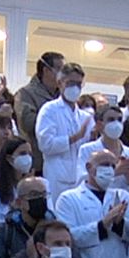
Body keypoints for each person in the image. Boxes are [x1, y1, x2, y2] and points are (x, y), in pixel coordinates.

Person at [36, 62, 94, 202]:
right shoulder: (49, 110)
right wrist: (75, 137)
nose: (75, 88)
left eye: (79, 84)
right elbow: (45, 145)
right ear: (60, 83)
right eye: (70, 83)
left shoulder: (85, 117)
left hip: (80, 179)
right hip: (57, 178)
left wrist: (94, 137)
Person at [75, 104, 129, 201]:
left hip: (124, 207)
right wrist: (114, 172)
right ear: (100, 125)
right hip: (94, 204)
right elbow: (81, 182)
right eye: (111, 120)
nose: (116, 124)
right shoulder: (87, 150)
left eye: (119, 119)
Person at [15, 51, 64, 174]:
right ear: (46, 70)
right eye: (59, 69)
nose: (63, 74)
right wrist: (58, 119)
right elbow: (28, 123)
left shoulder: (63, 96)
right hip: (37, 162)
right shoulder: (26, 94)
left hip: (61, 163)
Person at [0, 136, 33, 235]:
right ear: (9, 159)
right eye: (22, 154)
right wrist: (12, 209)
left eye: (30, 154)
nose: (27, 158)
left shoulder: (39, 184)